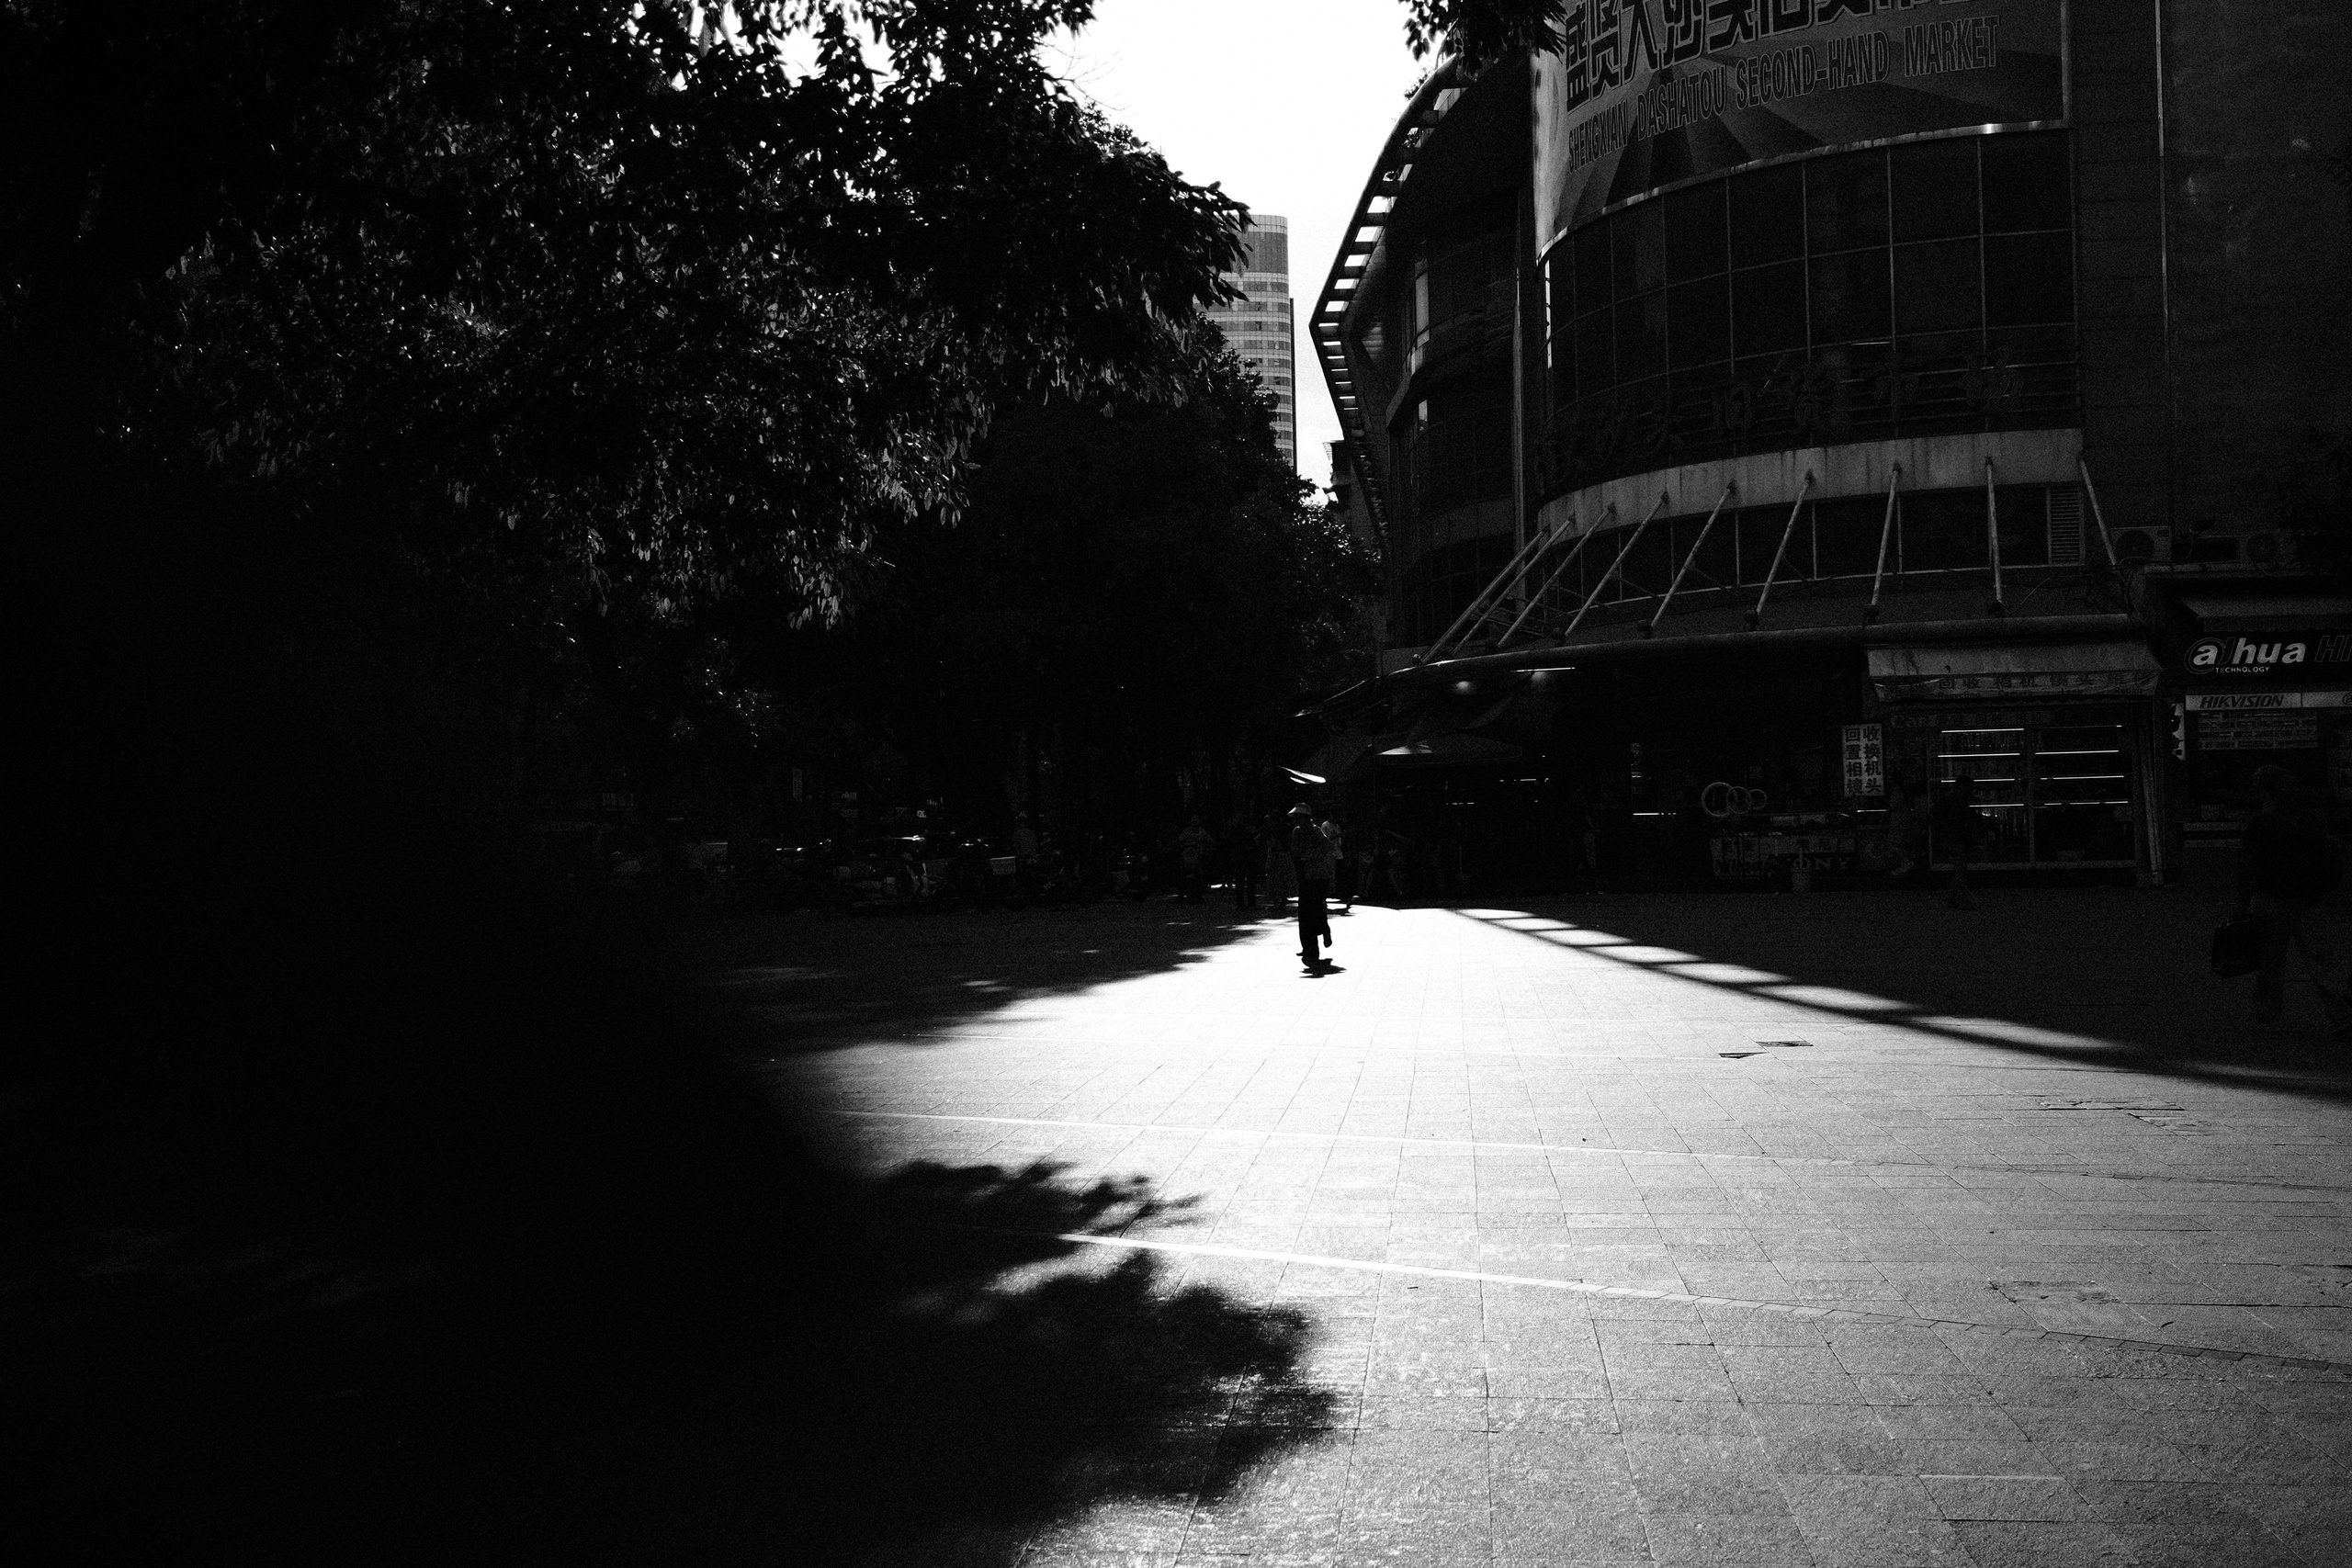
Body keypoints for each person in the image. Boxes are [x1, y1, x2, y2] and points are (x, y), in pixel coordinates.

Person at [2236, 765, 2351, 1036]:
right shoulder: (2273, 823)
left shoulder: (2292, 820)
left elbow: (2249, 865)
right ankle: (2337, 1014)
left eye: (2296, 786)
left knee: (2301, 959)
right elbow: (2248, 864)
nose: (2295, 791)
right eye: (2289, 787)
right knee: (2280, 961)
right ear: (2274, 792)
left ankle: (2337, 1015)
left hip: (2291, 898)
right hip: (2280, 900)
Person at [1287, 802, 1335, 968]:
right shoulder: (1297, 832)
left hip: (1318, 876)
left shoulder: (1316, 832)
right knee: (1304, 913)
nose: (1298, 821)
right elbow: (1294, 850)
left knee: (1318, 908)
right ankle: (1308, 947)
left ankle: (1325, 932)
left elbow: (1328, 847)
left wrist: (1312, 855)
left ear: (1307, 818)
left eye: (1300, 817)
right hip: (1304, 875)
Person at [1931, 774, 1976, 909]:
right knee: (1961, 870)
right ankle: (1962, 899)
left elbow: (1934, 816)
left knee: (1959, 869)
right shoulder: (1959, 801)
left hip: (1952, 837)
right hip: (1956, 838)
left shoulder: (1950, 799)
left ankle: (1952, 898)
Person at [1320, 812, 1354, 912]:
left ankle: (1342, 895)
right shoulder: (1325, 825)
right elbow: (1325, 839)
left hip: (1338, 853)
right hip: (1329, 854)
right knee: (1329, 876)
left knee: (1341, 875)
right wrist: (1339, 835)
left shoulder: (1337, 826)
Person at [1228, 814, 1262, 911]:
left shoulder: (1237, 832)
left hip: (1242, 858)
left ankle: (1242, 903)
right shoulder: (1246, 831)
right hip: (1245, 858)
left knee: (1242, 881)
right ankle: (1249, 903)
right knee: (1247, 881)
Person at [1176, 814, 1212, 904]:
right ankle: (1180, 895)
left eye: (1196, 819)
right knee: (1180, 873)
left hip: (1199, 856)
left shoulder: (1202, 832)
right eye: (1192, 819)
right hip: (1187, 855)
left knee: (1201, 872)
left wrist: (1207, 849)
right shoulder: (1186, 832)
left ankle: (1200, 891)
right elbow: (1179, 841)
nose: (1194, 822)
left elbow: (1210, 841)